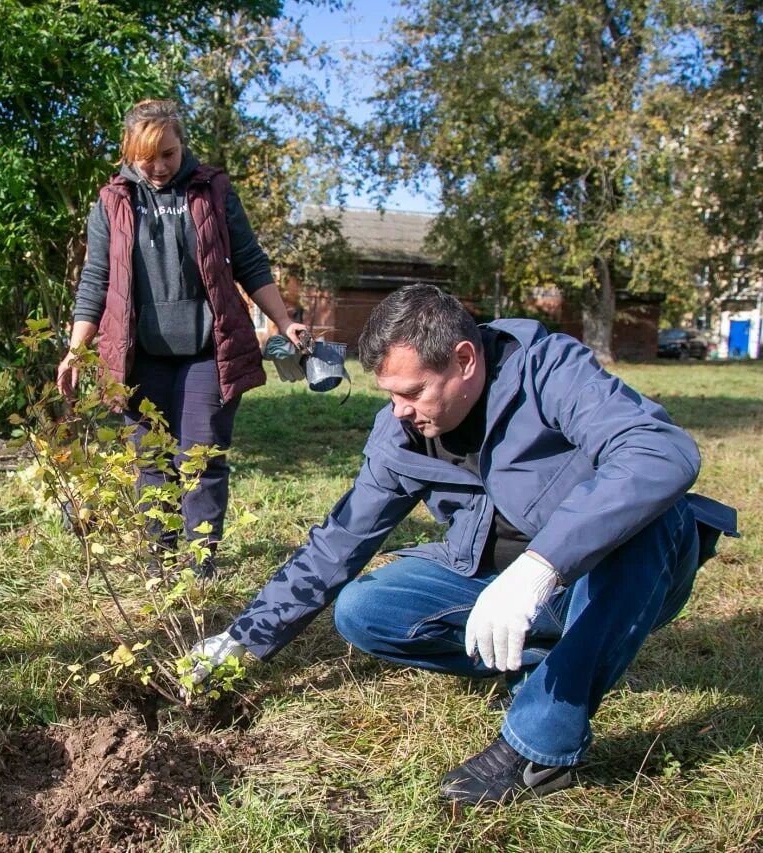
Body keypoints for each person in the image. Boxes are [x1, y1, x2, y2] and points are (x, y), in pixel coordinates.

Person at [186, 284, 737, 806]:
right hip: (488, 575)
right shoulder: (401, 430)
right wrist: (244, 636)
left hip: (604, 573)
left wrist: (540, 568)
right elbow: (338, 542)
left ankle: (537, 749)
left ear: (465, 361)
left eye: (412, 391)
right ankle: (557, 657)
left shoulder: (549, 369)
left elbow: (661, 453)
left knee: (653, 516)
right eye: (389, 394)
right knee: (366, 609)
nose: (399, 409)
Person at [57, 99, 308, 578]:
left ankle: (201, 564)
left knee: (201, 456)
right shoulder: (112, 201)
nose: (158, 166)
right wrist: (75, 349)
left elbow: (250, 260)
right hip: (141, 356)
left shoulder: (211, 189)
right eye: (146, 157)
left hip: (207, 352)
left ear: (181, 146)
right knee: (151, 460)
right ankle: (160, 560)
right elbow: (95, 279)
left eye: (168, 154)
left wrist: (283, 320)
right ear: (128, 152)